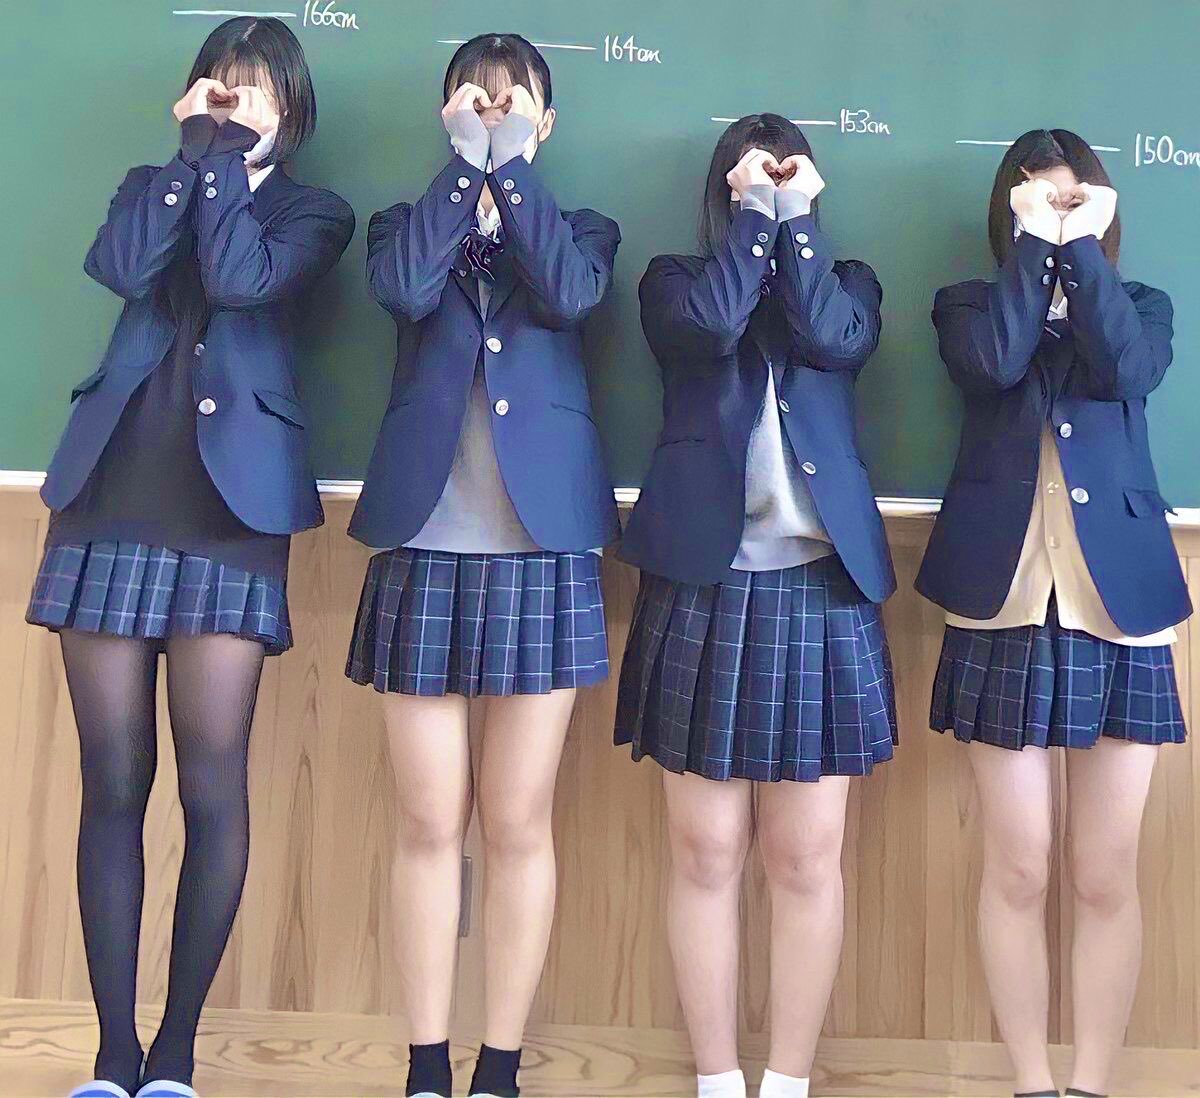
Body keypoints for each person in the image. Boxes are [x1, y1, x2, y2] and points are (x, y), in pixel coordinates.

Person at [27, 17, 354, 1098]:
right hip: (111, 495)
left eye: (252, 87)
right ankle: (111, 1056)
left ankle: (174, 1057)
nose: (230, 100)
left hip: (230, 511)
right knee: (112, 784)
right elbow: (121, 266)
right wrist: (190, 160)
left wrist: (222, 164)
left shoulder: (313, 211)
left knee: (213, 785)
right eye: (217, 82)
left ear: (290, 108)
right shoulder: (148, 184)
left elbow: (242, 278)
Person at [346, 33, 620, 1098]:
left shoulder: (581, 228)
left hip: (542, 546)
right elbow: (406, 291)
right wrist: (467, 168)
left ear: (547, 123)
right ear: (446, 114)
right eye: (476, 97)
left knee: (515, 823)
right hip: (423, 536)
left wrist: (509, 171)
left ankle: (498, 1065)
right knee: (427, 822)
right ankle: (426, 1064)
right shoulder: (404, 223)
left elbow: (571, 295)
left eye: (516, 103)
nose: (496, 110)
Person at [616, 114, 897, 1098]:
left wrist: (796, 222)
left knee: (806, 860)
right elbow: (710, 329)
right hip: (705, 583)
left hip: (822, 588)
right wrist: (752, 221)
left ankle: (786, 1081)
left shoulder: (848, 284)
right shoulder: (674, 282)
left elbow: (831, 336)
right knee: (704, 853)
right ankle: (715, 1079)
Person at [917, 128, 1191, 1098]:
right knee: (1020, 866)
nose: (1057, 208)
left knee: (1106, 871)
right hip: (1004, 597)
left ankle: (1095, 1081)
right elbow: (993, 364)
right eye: (1036, 196)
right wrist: (1037, 247)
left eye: (1074, 197)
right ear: (1009, 209)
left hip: (1121, 602)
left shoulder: (1142, 304)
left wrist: (1082, 255)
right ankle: (1033, 1082)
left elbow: (1127, 370)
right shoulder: (969, 304)